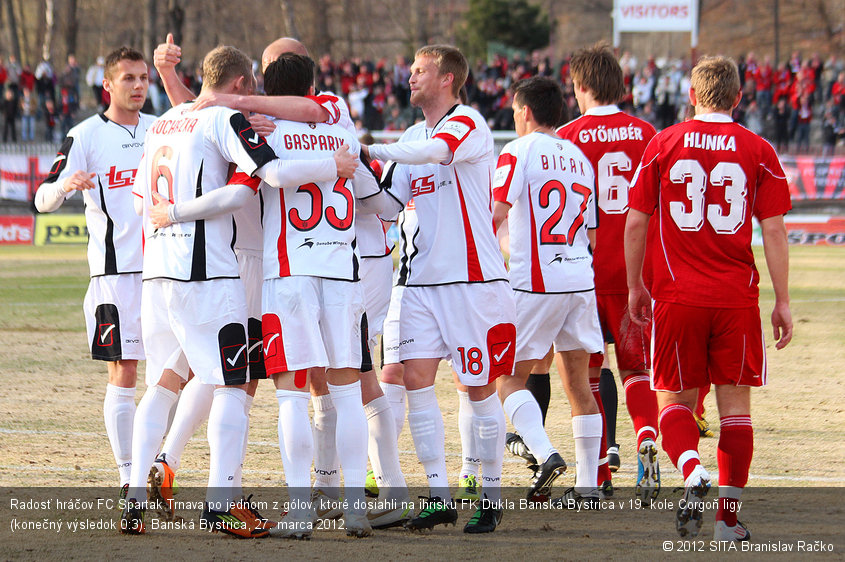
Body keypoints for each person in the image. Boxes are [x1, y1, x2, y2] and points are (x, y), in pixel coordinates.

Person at [123, 44, 354, 538]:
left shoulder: (163, 122)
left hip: (158, 269)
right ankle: (221, 500)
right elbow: (262, 176)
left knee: (168, 378)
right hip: (217, 265)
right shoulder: (230, 121)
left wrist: (168, 75)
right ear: (245, 85)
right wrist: (326, 165)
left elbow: (142, 198)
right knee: (234, 382)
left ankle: (136, 491)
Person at [625, 55, 793, 541]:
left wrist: (638, 284)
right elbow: (775, 230)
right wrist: (782, 301)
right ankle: (727, 522)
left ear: (692, 96)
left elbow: (636, 221)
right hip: (736, 298)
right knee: (736, 410)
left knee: (673, 401)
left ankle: (692, 468)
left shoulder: (664, 143)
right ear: (739, 98)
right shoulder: (758, 149)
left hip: (678, 295)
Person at [365, 44, 517, 534]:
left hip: (472, 283)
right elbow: (389, 204)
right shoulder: (412, 134)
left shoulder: (467, 122)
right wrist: (347, 172)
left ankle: (489, 497)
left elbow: (437, 152)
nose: (409, 78)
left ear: (448, 78)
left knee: (477, 388)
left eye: (419, 71)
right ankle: (439, 494)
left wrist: (373, 148)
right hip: (421, 284)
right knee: (415, 381)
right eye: (409, 69)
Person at [34, 46, 154, 502]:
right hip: (115, 274)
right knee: (125, 372)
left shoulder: (160, 129)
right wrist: (65, 185)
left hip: (167, 271)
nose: (139, 85)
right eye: (128, 78)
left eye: (143, 77)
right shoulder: (83, 135)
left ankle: (160, 462)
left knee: (172, 372)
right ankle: (130, 480)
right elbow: (42, 199)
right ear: (108, 84)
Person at [556, 43, 661, 503]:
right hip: (636, 272)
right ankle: (645, 441)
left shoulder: (565, 137)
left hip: (583, 272)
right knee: (637, 370)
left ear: (581, 86)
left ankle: (598, 474)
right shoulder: (649, 134)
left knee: (588, 375)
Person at [492, 76, 600, 505]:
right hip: (579, 278)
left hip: (535, 281)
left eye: (516, 111)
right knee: (578, 382)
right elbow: (590, 234)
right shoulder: (579, 157)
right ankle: (589, 487)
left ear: (525, 112)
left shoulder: (517, 151)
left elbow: (493, 213)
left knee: (505, 376)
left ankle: (544, 452)